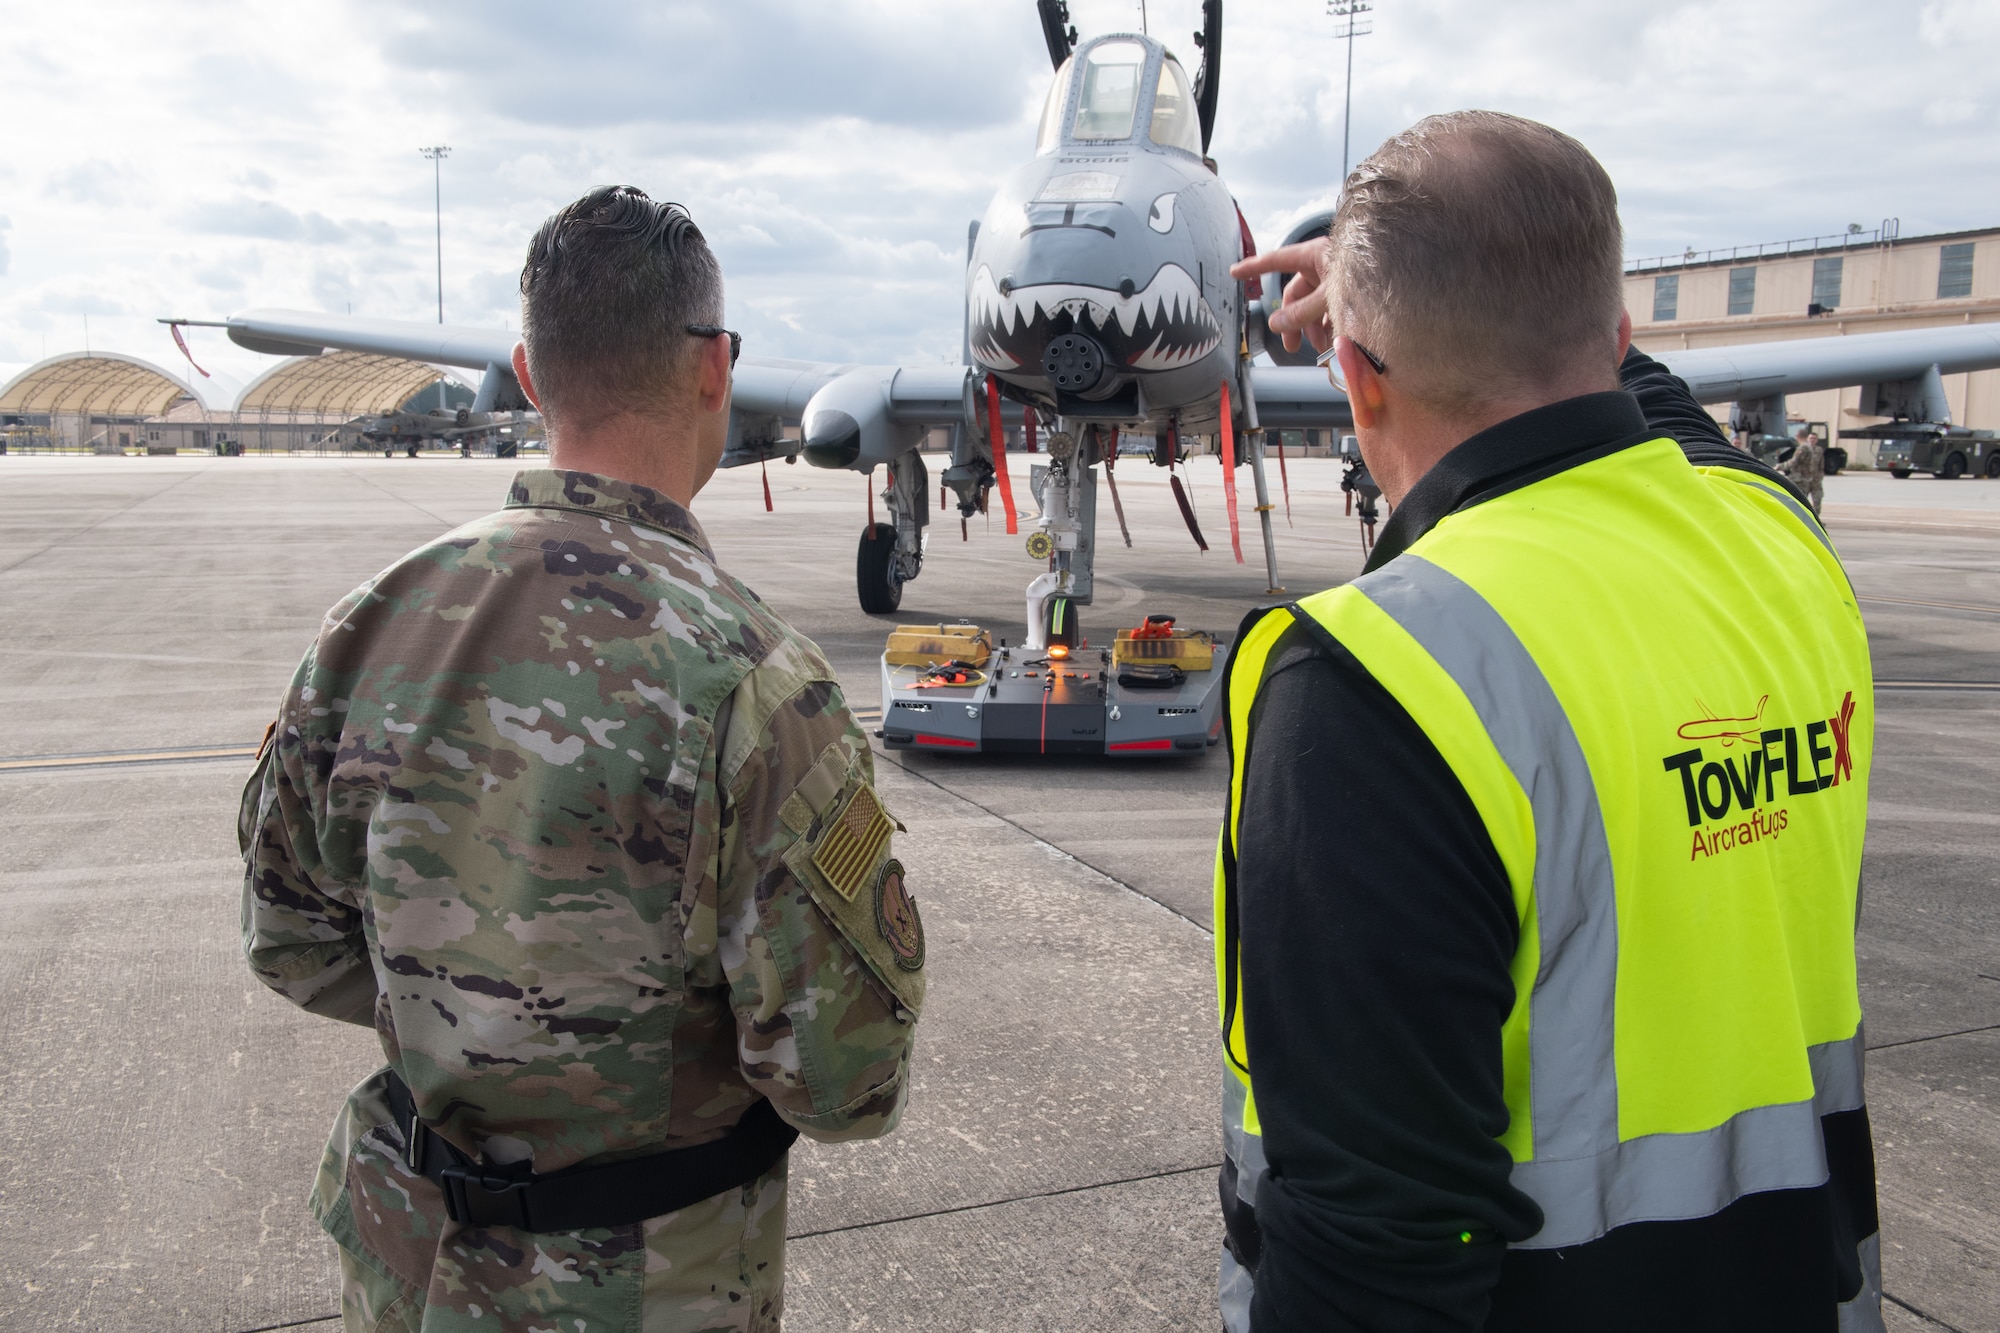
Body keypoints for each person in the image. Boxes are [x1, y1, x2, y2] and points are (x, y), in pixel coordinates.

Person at [1220, 113, 1878, 1332]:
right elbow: (1661, 412)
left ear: (1354, 374)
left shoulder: (1381, 678)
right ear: (1619, 334)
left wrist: (1380, 293)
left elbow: (1373, 1250)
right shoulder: (1781, 545)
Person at [240, 186, 924, 1333]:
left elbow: (287, 941)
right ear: (714, 367)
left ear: (526, 367)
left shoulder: (371, 624)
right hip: (649, 1291)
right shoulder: (754, 677)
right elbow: (843, 1073)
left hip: (408, 1270)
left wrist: (472, 1026)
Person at [1787, 429, 1827, 516]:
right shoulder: (1804, 449)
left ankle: (1816, 519)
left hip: (1815, 480)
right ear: (1807, 439)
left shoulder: (1819, 450)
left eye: (1814, 438)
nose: (1812, 440)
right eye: (1810, 438)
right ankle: (1804, 517)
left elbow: (1821, 465)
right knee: (1803, 499)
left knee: (1817, 499)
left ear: (1817, 440)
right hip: (1805, 478)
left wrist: (1820, 476)